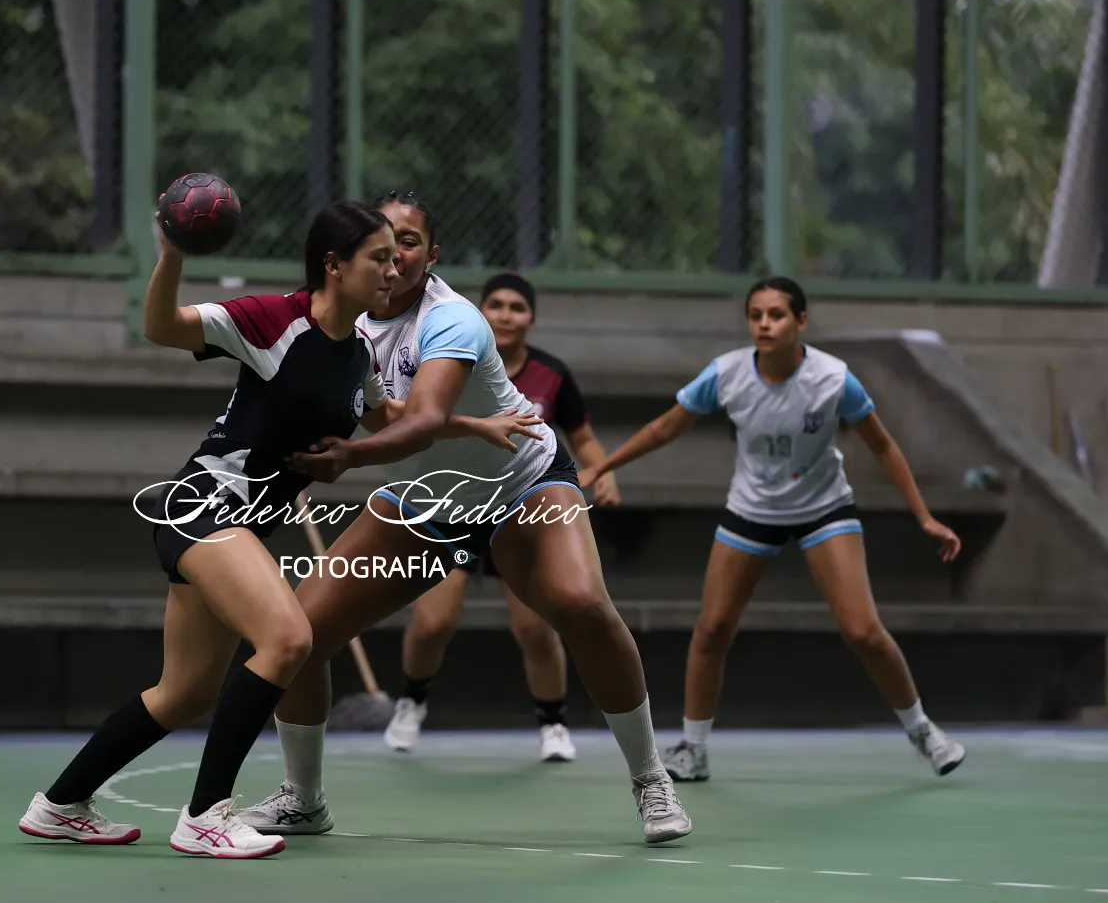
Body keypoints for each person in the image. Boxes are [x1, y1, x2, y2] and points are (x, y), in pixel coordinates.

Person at [15, 200, 537, 859]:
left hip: (237, 527)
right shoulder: (271, 320)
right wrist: (172, 255)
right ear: (334, 265)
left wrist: (474, 425)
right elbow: (161, 326)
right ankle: (205, 817)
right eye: (378, 258)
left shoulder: (358, 354)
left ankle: (60, 804)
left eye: (397, 256)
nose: (393, 269)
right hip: (203, 508)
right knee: (290, 637)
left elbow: (391, 420)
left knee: (183, 693)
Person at [239, 193, 692, 846]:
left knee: (581, 603)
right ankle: (303, 798)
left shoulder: (452, 318)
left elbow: (424, 419)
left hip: (521, 482)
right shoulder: (337, 321)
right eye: (382, 242)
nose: (395, 256)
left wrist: (349, 457)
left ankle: (651, 778)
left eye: (410, 242)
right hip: (420, 502)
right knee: (298, 635)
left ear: (432, 255)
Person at [578, 276, 967, 782]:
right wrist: (602, 467)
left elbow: (883, 446)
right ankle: (693, 748)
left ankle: (924, 732)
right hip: (752, 509)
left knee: (863, 631)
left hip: (824, 507)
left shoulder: (834, 379)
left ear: (800, 321)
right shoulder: (726, 374)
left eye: (776, 315)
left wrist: (925, 517)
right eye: (755, 315)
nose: (764, 324)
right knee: (713, 628)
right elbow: (665, 427)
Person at [382, 271, 623, 762]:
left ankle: (553, 723)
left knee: (536, 629)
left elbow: (582, 437)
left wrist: (604, 471)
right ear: (480, 312)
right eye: (496, 305)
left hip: (520, 506)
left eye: (517, 307)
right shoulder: (449, 355)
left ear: (531, 318)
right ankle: (412, 701)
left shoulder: (552, 374)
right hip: (453, 506)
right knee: (431, 624)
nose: (506, 315)